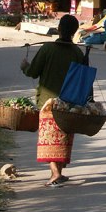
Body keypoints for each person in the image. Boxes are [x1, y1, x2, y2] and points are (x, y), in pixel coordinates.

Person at [20, 14, 84, 187]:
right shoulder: (77, 52)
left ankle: (55, 174)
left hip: (48, 103)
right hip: (69, 104)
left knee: (50, 139)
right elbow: (82, 79)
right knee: (63, 138)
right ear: (75, 32)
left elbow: (33, 72)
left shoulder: (48, 49)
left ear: (59, 29)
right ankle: (59, 173)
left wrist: (24, 66)